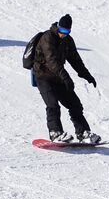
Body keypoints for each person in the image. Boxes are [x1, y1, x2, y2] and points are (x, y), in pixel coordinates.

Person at [30, 14, 100, 144]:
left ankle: (83, 133)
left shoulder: (68, 40)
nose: (64, 34)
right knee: (52, 105)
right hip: (43, 77)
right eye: (62, 31)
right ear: (58, 27)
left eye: (67, 32)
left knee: (75, 104)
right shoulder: (47, 38)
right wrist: (66, 77)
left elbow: (75, 60)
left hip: (58, 77)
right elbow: (52, 62)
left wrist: (87, 75)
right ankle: (55, 133)